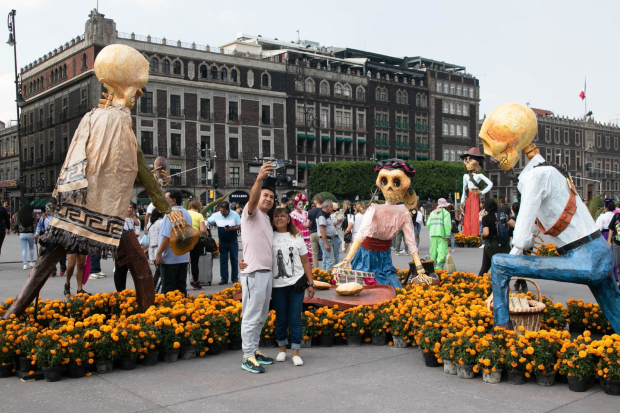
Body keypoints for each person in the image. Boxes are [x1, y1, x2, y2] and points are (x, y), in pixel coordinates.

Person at [239, 207, 315, 366]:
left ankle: (295, 351)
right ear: (272, 220)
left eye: (283, 216)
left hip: (296, 284)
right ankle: (282, 349)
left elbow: (305, 261)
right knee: (281, 318)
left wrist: (311, 283)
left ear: (289, 219)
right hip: (277, 284)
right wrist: (243, 261)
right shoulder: (269, 236)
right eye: (276, 216)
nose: (279, 218)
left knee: (294, 318)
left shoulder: (296, 236)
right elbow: (255, 250)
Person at [239, 162, 276, 374]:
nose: (268, 199)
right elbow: (252, 199)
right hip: (254, 273)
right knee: (252, 316)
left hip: (265, 273)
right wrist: (259, 179)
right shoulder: (250, 213)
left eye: (271, 197)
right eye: (265, 196)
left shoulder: (266, 219)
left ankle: (254, 350)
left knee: (261, 316)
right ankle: (247, 356)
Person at [156, 190, 192, 295]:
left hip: (169, 258)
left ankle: (169, 310)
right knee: (181, 288)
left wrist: (159, 253)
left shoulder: (170, 214)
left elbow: (166, 237)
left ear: (173, 201)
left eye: (166, 199)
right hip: (182, 256)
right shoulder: (186, 213)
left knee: (168, 289)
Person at [207, 201, 241, 285]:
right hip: (222, 241)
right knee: (223, 261)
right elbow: (208, 221)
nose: (222, 212)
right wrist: (214, 223)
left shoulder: (235, 214)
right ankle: (224, 278)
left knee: (234, 260)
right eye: (221, 211)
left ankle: (234, 278)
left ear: (228, 209)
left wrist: (232, 229)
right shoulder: (217, 215)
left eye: (224, 211)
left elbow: (240, 226)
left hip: (233, 241)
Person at [460, 148, 492, 236]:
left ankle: (475, 233)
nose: (467, 161)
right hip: (468, 196)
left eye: (470, 159)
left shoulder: (479, 175)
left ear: (477, 162)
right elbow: (464, 189)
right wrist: (462, 202)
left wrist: (481, 192)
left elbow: (490, 184)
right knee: (467, 215)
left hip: (474, 196)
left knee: (474, 215)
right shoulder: (465, 176)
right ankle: (467, 233)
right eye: (466, 160)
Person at [478, 199, 514, 277]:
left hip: (491, 244)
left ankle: (479, 283)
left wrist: (482, 235)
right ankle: (505, 286)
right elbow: (514, 224)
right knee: (502, 266)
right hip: (503, 243)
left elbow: (486, 233)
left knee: (485, 266)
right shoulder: (501, 215)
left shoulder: (486, 218)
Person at [113, 202, 141, 292]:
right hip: (120, 247)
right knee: (120, 269)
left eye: (130, 207)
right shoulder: (119, 219)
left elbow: (137, 224)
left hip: (130, 247)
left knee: (127, 269)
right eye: (127, 207)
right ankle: (120, 290)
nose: (129, 209)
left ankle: (124, 289)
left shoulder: (131, 219)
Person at [188, 199, 209, 290]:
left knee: (183, 262)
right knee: (194, 262)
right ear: (198, 207)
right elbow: (203, 230)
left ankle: (180, 283)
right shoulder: (199, 215)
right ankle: (196, 283)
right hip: (195, 240)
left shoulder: (184, 213)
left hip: (183, 239)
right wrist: (207, 234)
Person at [428, 198, 452, 271]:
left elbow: (428, 224)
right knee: (441, 251)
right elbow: (447, 225)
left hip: (433, 235)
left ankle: (432, 267)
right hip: (442, 235)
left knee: (433, 251)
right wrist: (447, 236)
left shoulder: (432, 213)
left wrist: (432, 230)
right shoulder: (446, 213)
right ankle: (438, 268)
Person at [289, 194, 312, 267]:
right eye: (299, 204)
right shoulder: (293, 214)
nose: (301, 205)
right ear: (295, 205)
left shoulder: (306, 213)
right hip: (298, 233)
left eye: (302, 204)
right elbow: (293, 224)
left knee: (308, 251)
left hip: (307, 234)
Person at [15, 204, 36, 270]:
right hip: (30, 233)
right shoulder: (31, 215)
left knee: (24, 250)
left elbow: (16, 224)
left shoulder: (19, 215)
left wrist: (18, 231)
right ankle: (31, 263)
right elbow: (34, 225)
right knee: (31, 248)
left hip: (22, 234)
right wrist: (35, 233)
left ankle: (25, 264)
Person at [317, 200, 337, 271]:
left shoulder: (325, 214)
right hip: (326, 240)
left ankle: (324, 274)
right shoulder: (322, 216)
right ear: (326, 206)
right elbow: (322, 231)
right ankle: (328, 276)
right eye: (331, 207)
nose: (332, 209)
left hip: (327, 239)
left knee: (326, 259)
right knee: (330, 260)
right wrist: (326, 244)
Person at [147, 209, 164, 292]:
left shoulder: (150, 224)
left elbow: (149, 240)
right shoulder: (161, 223)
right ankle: (154, 290)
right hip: (160, 249)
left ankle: (153, 289)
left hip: (152, 250)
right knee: (160, 272)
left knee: (158, 270)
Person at [306, 194, 324, 269]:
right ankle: (325, 270)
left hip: (313, 232)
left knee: (314, 254)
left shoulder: (311, 211)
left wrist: (311, 225)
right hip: (322, 233)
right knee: (325, 253)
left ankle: (316, 270)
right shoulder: (324, 211)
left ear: (316, 202)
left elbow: (307, 224)